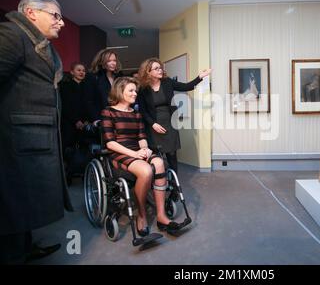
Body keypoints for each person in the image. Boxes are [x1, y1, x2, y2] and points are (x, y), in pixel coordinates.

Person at [0, 0, 73, 264]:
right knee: (13, 202)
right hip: (15, 140)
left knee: (24, 201)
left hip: (34, 139)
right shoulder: (11, 35)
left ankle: (26, 246)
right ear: (31, 13)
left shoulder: (37, 42)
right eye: (56, 15)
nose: (62, 23)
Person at [101, 77, 181, 233]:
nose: (135, 93)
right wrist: (135, 154)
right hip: (119, 152)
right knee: (146, 170)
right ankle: (142, 216)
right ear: (119, 91)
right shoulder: (108, 112)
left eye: (135, 90)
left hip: (136, 150)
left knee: (159, 163)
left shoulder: (136, 114)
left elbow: (142, 137)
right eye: (131, 90)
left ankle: (161, 215)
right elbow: (110, 143)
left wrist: (145, 150)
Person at [137, 58, 211, 173]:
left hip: (170, 123)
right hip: (153, 125)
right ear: (148, 72)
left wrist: (200, 77)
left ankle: (174, 183)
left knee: (171, 153)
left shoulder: (167, 82)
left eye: (160, 67)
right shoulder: (143, 89)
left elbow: (186, 86)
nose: (160, 70)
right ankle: (157, 180)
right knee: (155, 154)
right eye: (156, 68)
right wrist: (153, 124)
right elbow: (143, 111)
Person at [60, 62, 91, 183]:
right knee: (68, 149)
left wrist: (86, 120)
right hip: (69, 124)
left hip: (84, 123)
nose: (82, 72)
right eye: (79, 70)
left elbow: (88, 106)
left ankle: (83, 173)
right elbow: (66, 106)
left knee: (84, 149)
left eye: (83, 70)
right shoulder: (65, 86)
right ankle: (68, 175)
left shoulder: (87, 86)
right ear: (72, 72)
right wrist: (76, 121)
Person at [85, 49, 123, 125]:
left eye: (114, 60)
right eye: (109, 61)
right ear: (102, 61)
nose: (113, 63)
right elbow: (88, 101)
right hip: (102, 118)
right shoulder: (93, 77)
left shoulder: (119, 76)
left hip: (119, 117)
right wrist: (95, 119)